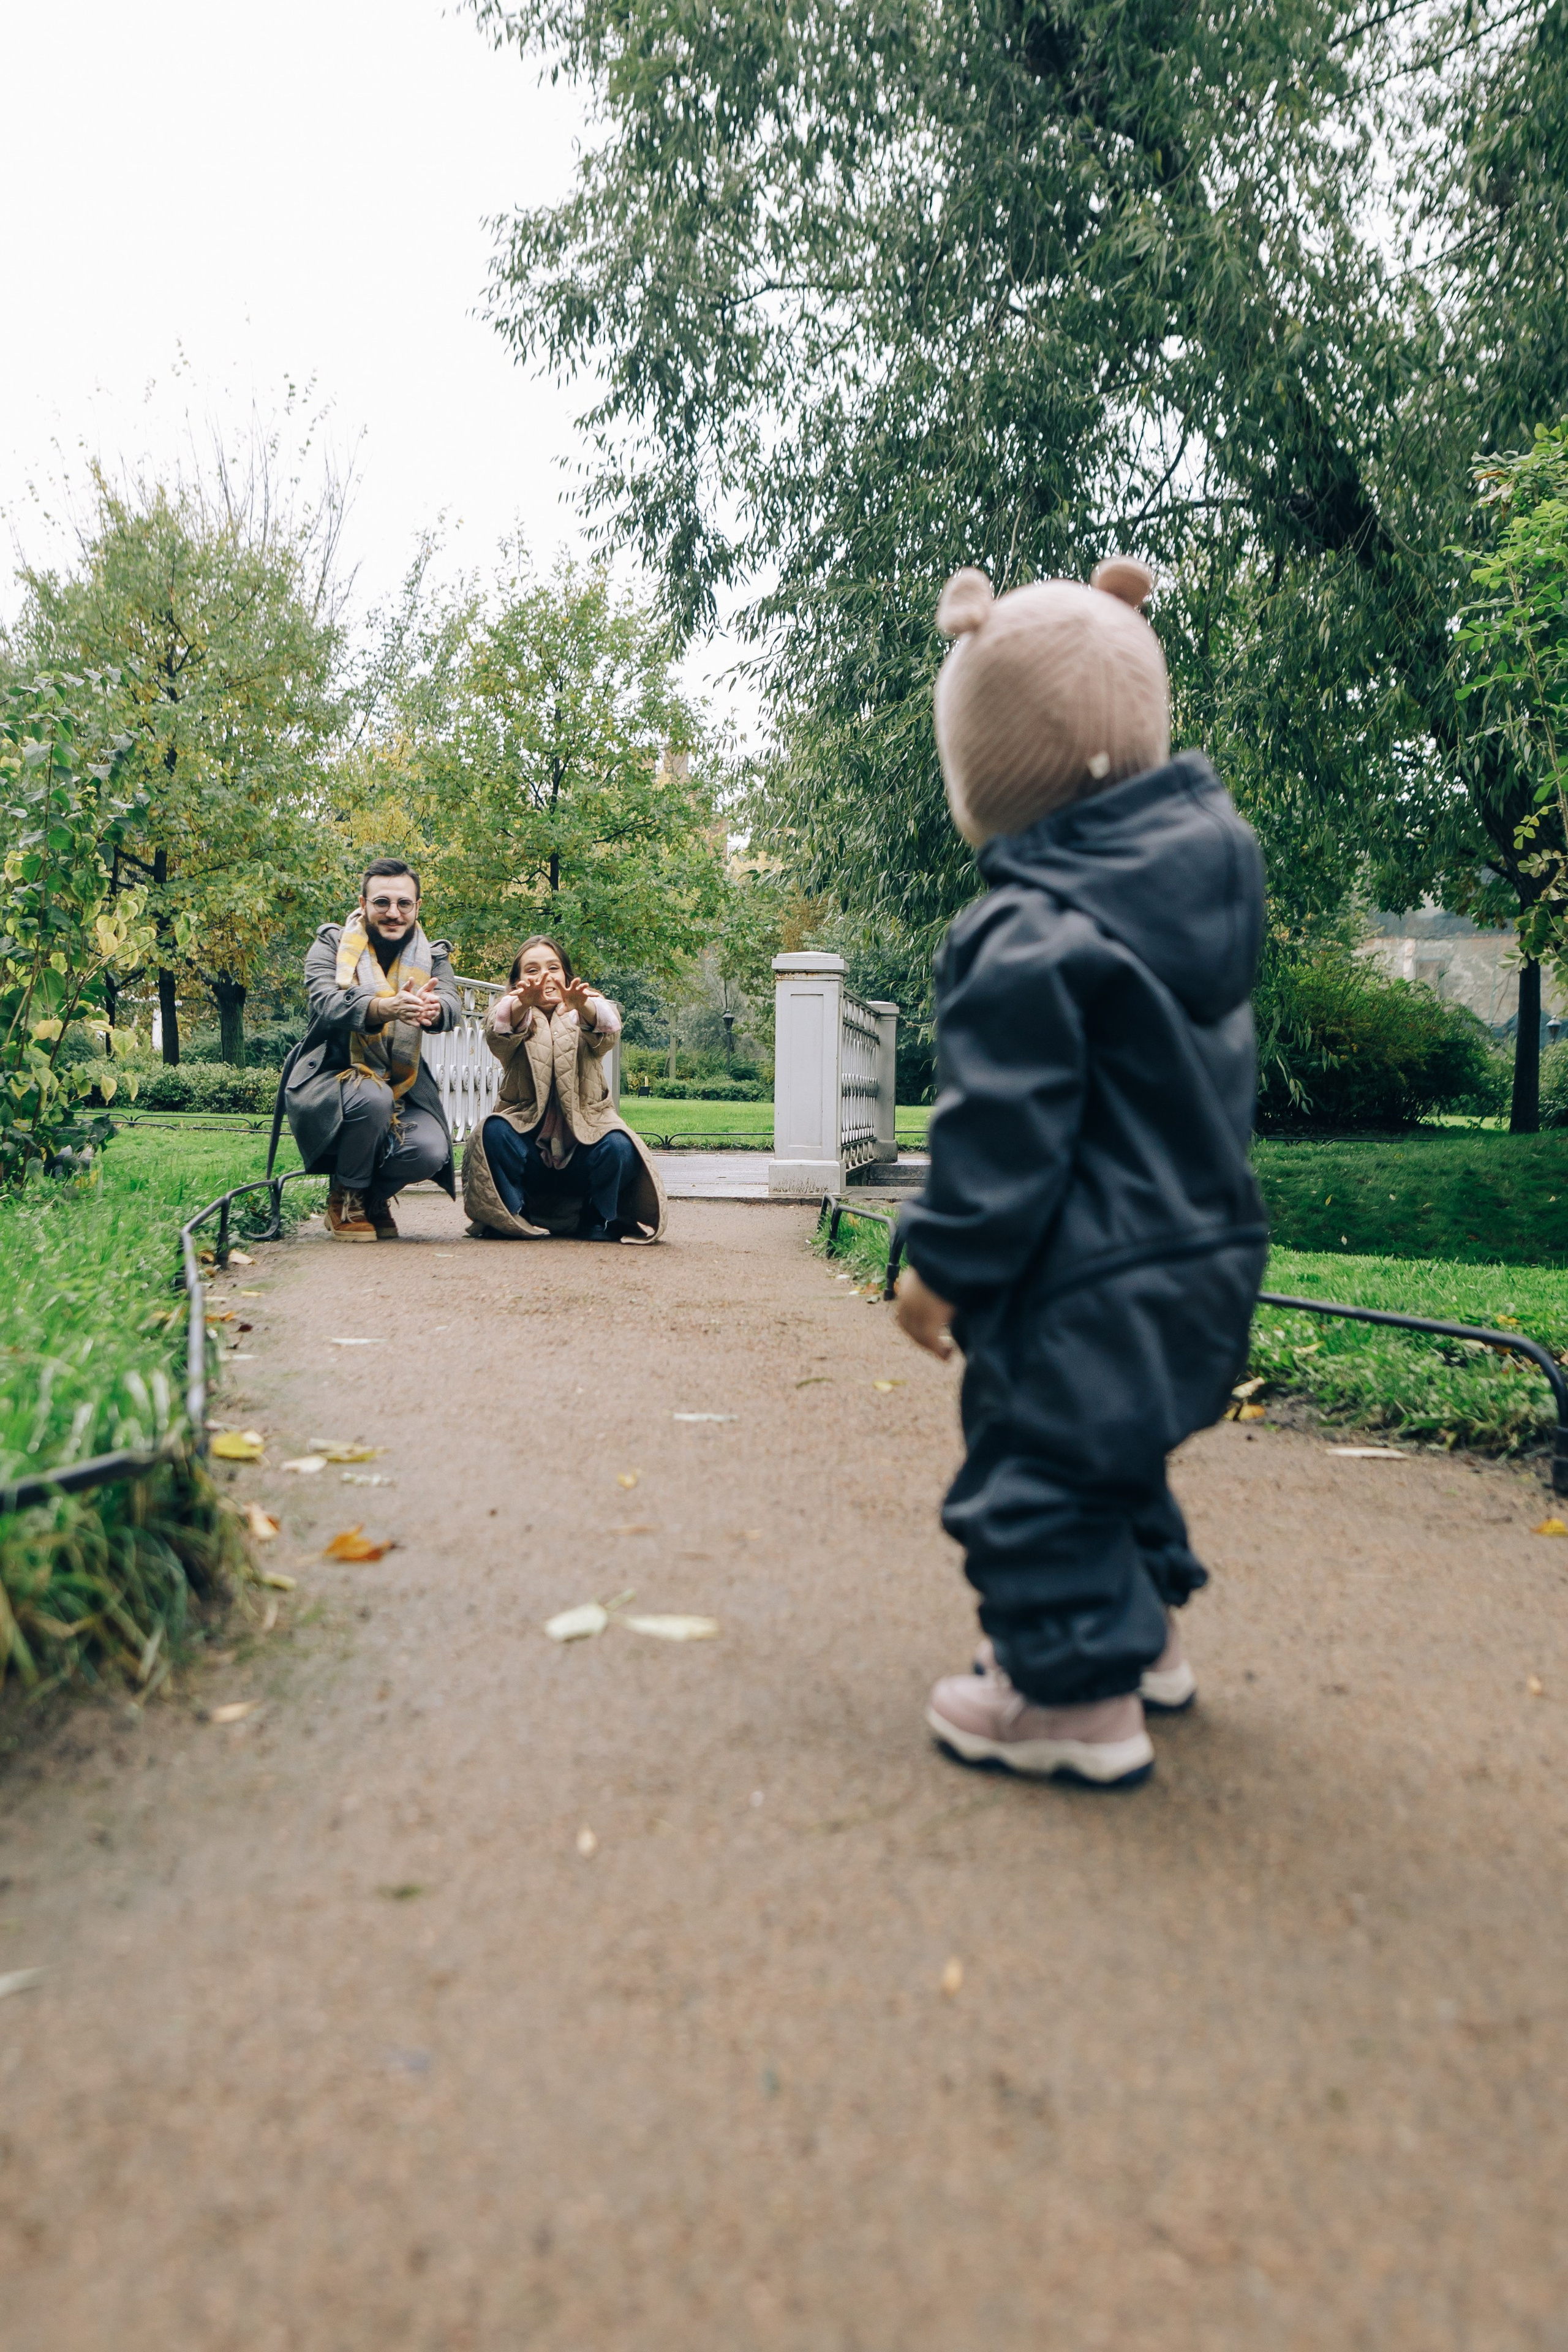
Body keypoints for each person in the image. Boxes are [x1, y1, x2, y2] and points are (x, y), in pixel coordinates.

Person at [895, 559, 1267, 1790]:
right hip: (1205, 1257)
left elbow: (1001, 1132)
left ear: (985, 770)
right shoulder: (1191, 901)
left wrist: (938, 1266)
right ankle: (1143, 1639)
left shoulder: (1025, 927)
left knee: (1037, 1465)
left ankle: (1067, 1693)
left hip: (1078, 1273)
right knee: (1113, 1448)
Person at [282, 859, 463, 1241]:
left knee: (430, 1150)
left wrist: (434, 1010)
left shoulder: (433, 954)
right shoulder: (332, 943)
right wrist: (383, 1008)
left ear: (417, 906)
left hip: (402, 1083)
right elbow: (325, 1001)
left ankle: (371, 1196)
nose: (393, 913)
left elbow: (451, 1004)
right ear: (363, 904)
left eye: (404, 904)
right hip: (331, 1073)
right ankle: (347, 1196)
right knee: (372, 1096)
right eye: (382, 902)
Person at [461, 935, 666, 1242]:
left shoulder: (585, 1014)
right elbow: (498, 1030)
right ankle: (516, 1212)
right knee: (490, 1133)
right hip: (529, 1152)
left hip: (583, 1154)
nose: (544, 976)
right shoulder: (514, 1018)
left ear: (567, 977)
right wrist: (522, 1005)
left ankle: (597, 1216)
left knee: (621, 1146)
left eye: (553, 968)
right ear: (517, 981)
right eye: (532, 970)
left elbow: (609, 1031)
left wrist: (583, 1005)